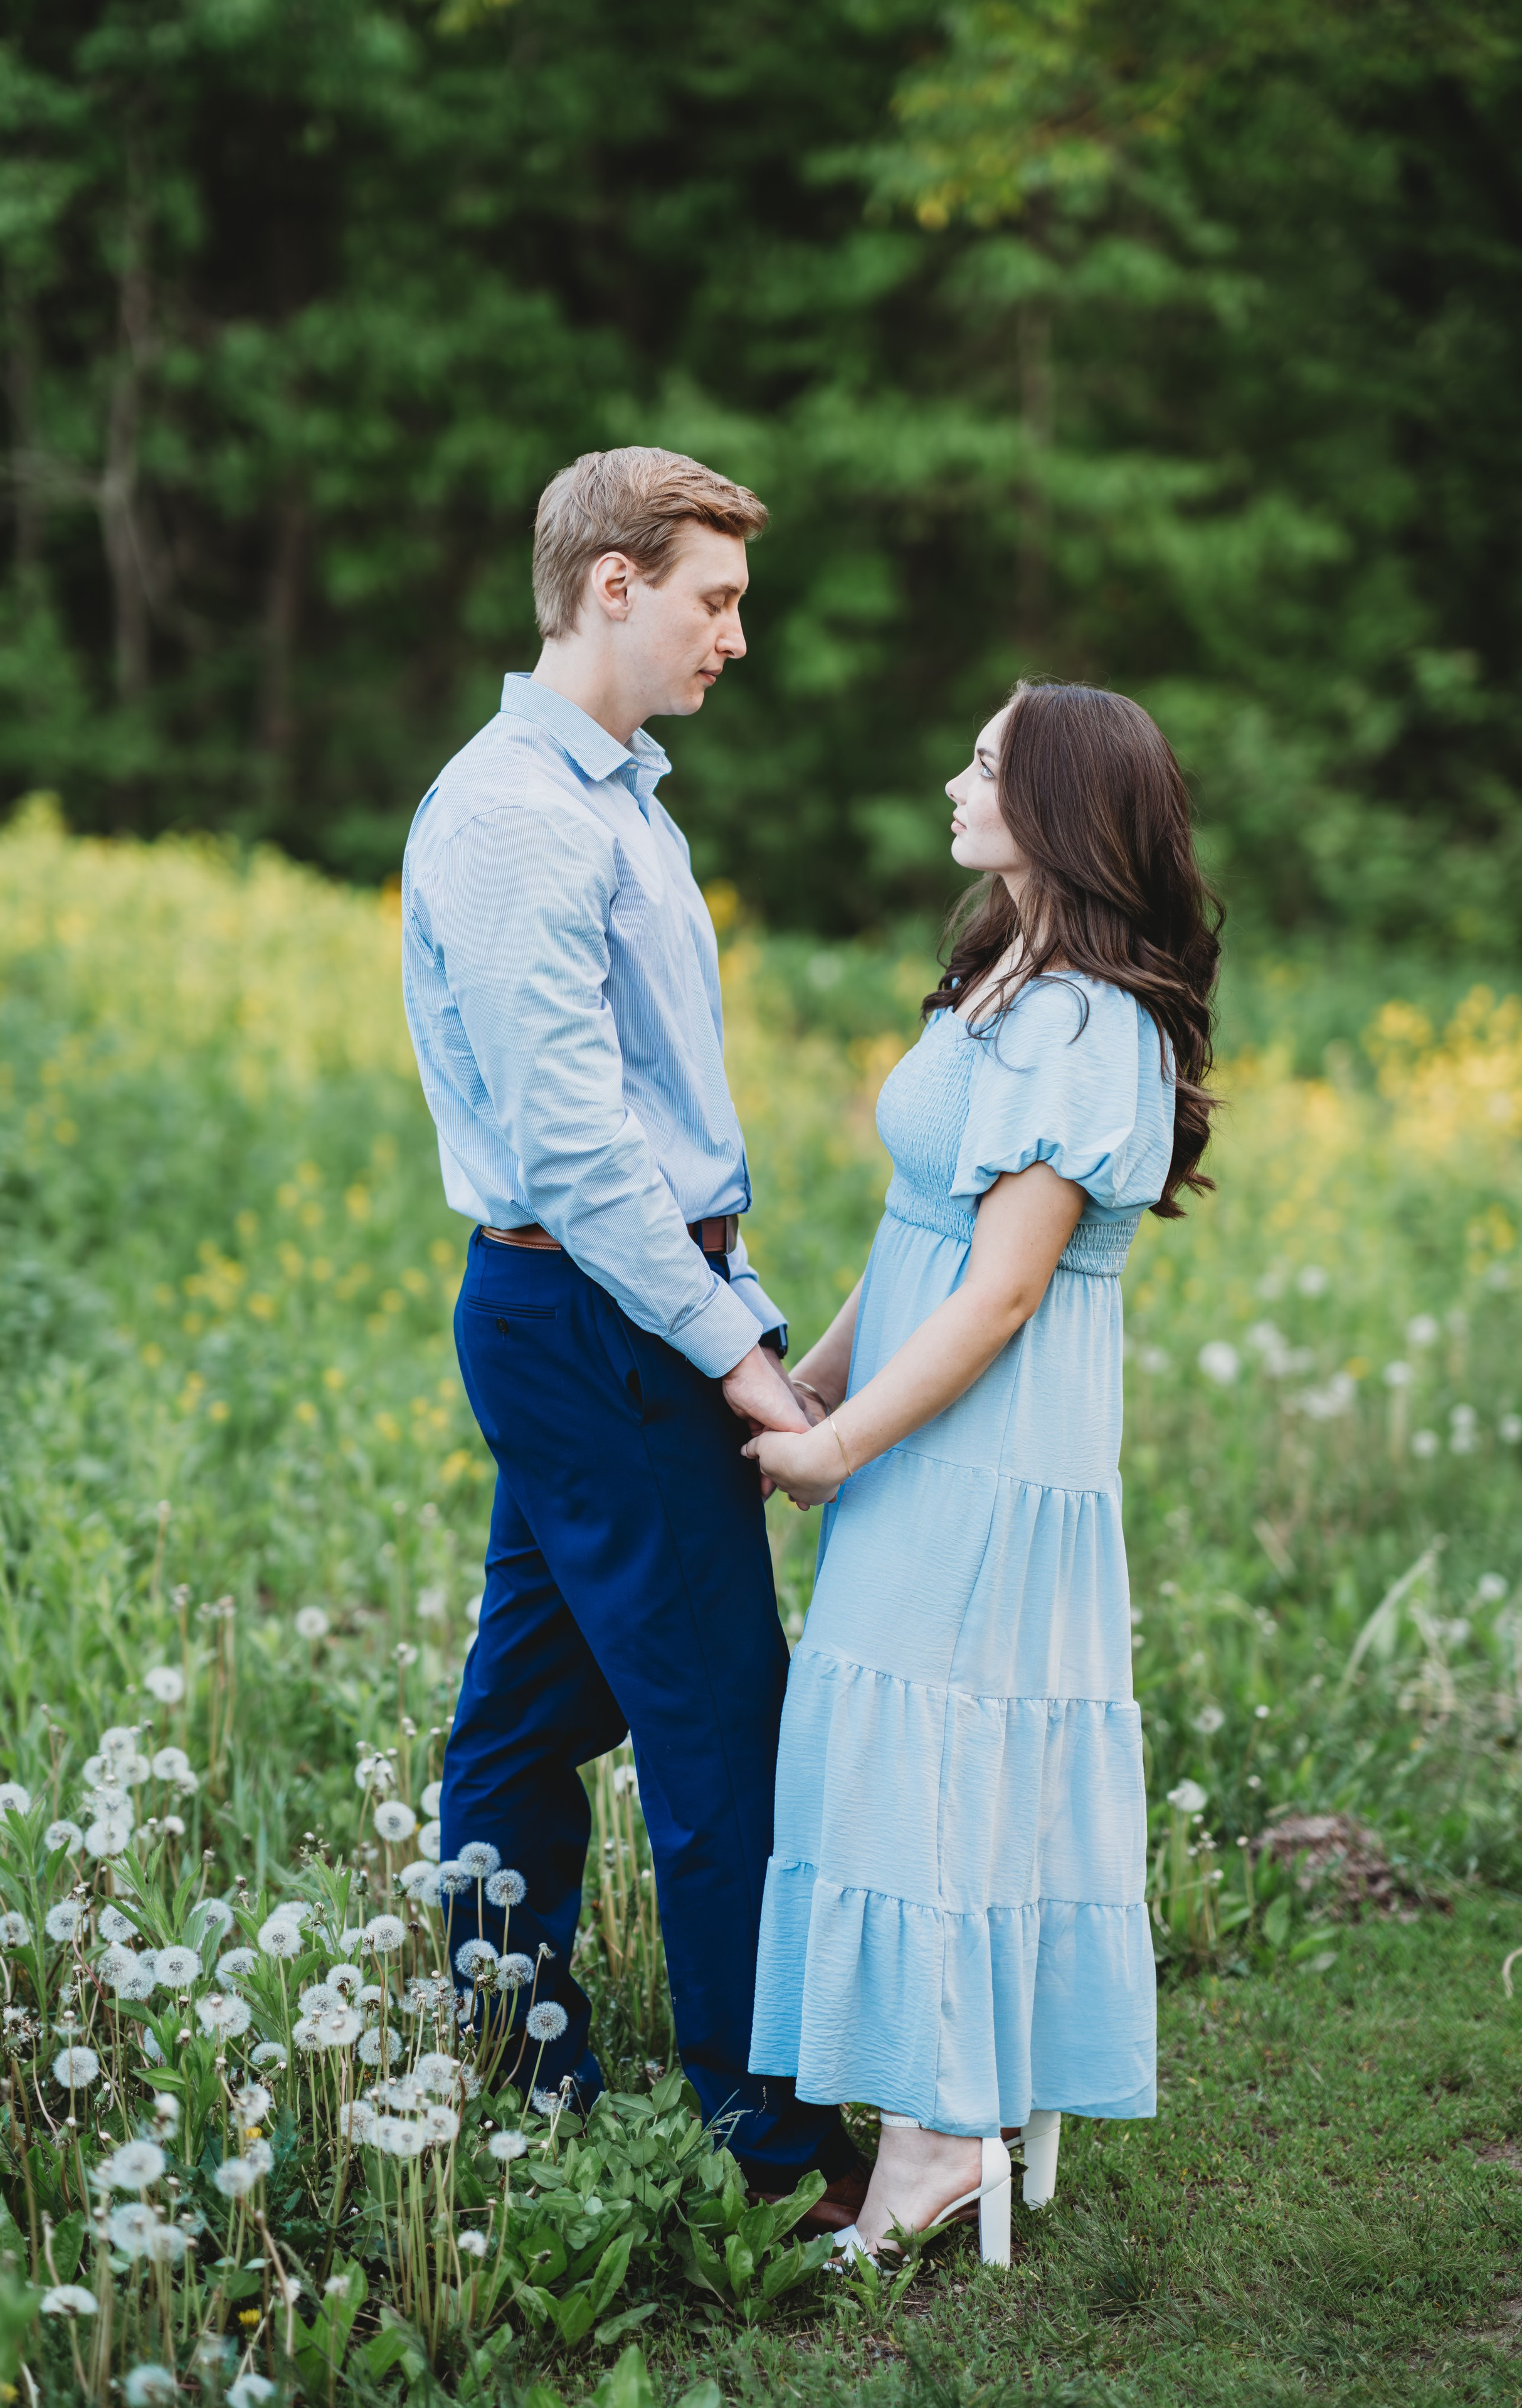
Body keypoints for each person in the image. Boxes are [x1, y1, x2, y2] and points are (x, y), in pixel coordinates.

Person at [399, 446, 865, 2219]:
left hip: (612, 1302)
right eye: (714, 598)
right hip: (590, 1308)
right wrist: (739, 1363)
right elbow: (585, 1154)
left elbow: (650, 1136)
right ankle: (769, 2148)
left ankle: (516, 2073)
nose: (734, 636)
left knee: (525, 1721)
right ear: (612, 585)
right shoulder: (520, 813)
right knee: (719, 1721)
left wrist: (745, 1319)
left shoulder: (616, 797)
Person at [744, 679, 1221, 2262]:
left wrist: (838, 1443)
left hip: (984, 1449)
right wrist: (810, 1380)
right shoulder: (1002, 969)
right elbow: (925, 1237)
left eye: (987, 764)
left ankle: (939, 2139)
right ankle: (945, 2109)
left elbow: (1003, 1289)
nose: (954, 780)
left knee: (925, 1766)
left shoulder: (1086, 1020)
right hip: (920, 1426)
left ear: (1064, 806)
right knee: (906, 1757)